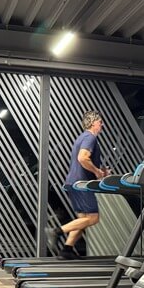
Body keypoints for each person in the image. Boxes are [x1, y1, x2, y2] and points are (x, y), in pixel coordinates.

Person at [49, 110, 109, 260]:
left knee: (82, 221)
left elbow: (84, 160)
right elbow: (83, 158)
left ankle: (67, 250)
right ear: (93, 123)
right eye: (100, 122)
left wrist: (100, 170)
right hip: (82, 184)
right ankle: (56, 231)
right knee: (93, 218)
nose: (102, 124)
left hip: (74, 183)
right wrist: (97, 172)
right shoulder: (90, 137)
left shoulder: (82, 137)